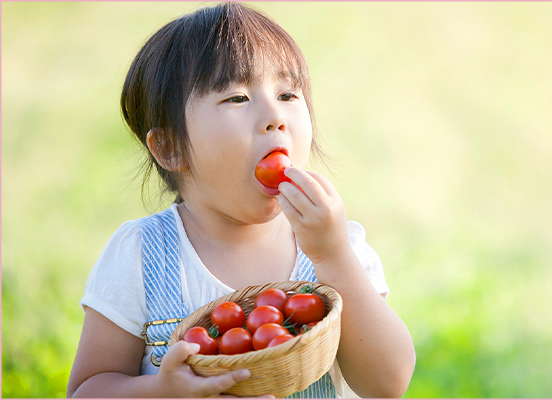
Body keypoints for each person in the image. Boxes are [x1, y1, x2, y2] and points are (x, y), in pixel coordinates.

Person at [67, 3, 415, 398]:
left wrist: (333, 257)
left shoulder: (339, 248)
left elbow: (388, 383)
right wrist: (161, 391)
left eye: (287, 94)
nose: (274, 116)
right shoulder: (142, 256)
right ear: (169, 148)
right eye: (236, 98)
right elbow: (87, 389)